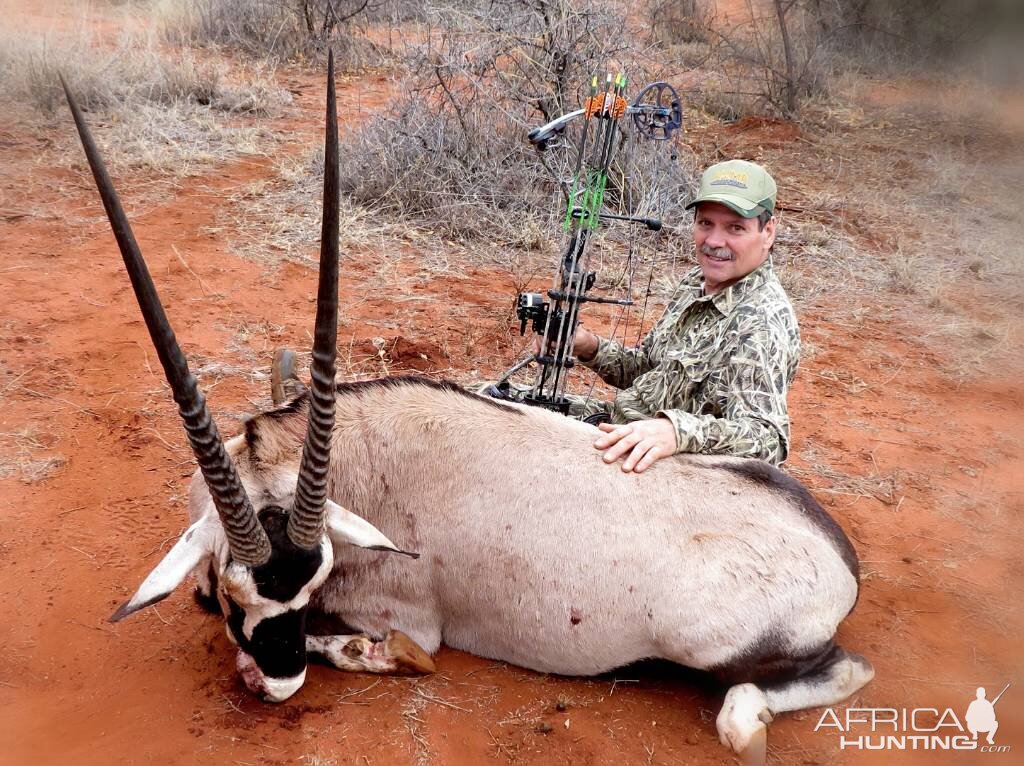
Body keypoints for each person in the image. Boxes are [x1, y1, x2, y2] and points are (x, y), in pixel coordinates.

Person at [548, 159, 800, 473]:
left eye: (735, 228)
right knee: (492, 401)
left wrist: (676, 431)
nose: (714, 242)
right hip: (623, 427)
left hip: (670, 472)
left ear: (768, 232)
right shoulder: (697, 282)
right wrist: (586, 346)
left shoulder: (761, 322)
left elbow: (768, 439)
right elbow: (647, 370)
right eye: (706, 223)